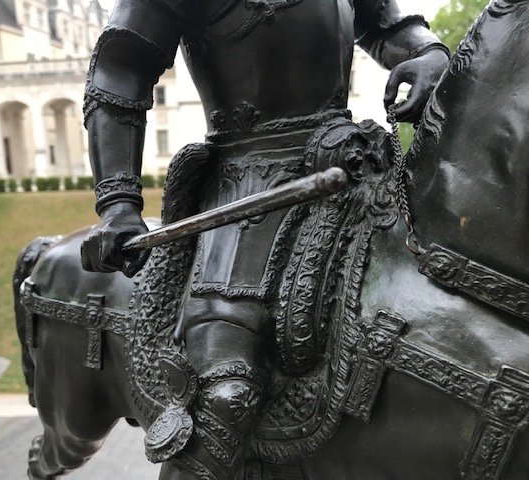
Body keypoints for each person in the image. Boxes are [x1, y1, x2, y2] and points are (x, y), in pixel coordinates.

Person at [80, 1, 449, 478]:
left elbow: (386, 24)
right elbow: (119, 69)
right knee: (225, 396)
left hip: (353, 165)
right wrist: (118, 203)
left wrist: (430, 52)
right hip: (248, 184)